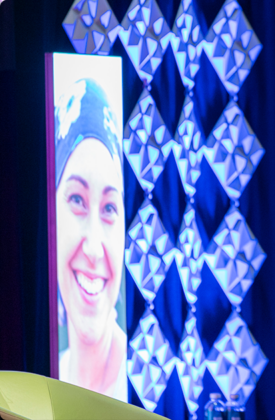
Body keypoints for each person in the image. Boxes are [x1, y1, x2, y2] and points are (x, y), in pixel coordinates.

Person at [54, 78, 127, 401]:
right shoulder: (44, 380)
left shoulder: (142, 386)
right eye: (77, 201)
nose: (95, 248)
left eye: (110, 207)